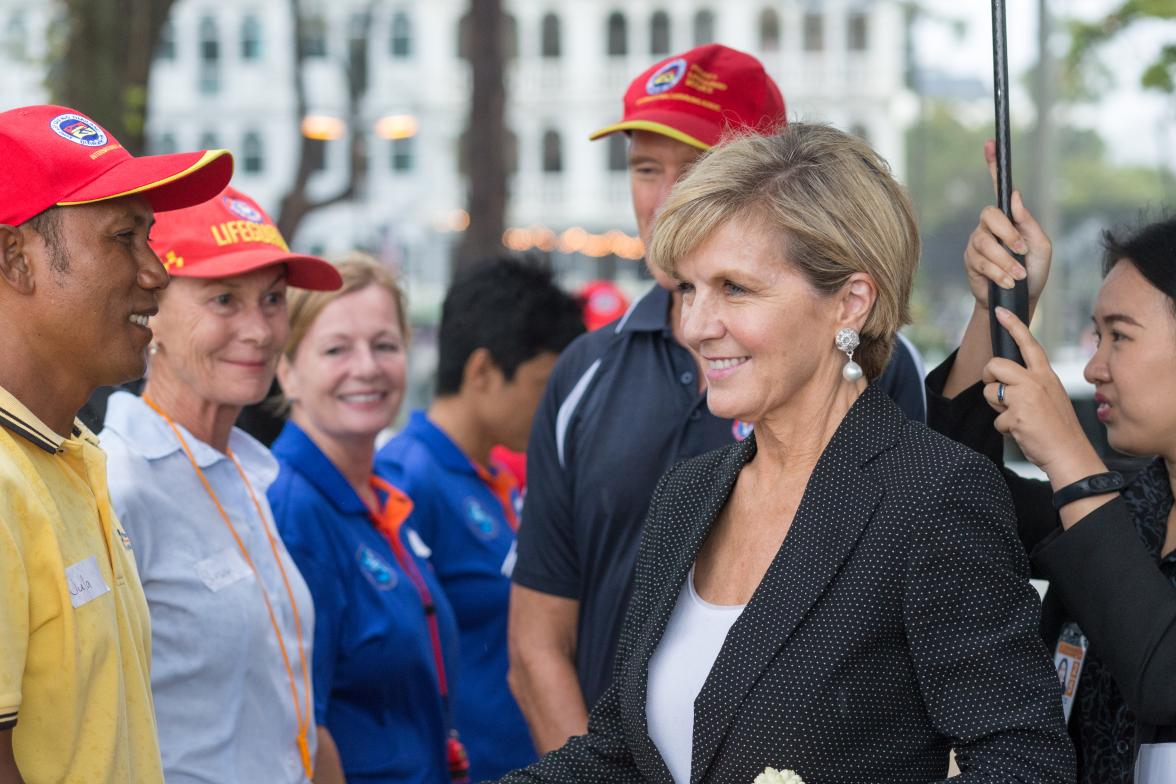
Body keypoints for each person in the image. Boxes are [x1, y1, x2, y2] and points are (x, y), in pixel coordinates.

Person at [496, 124, 1075, 783]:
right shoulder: (686, 495)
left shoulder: (933, 495)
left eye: (734, 289)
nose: (695, 324)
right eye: (688, 288)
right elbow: (619, 752)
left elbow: (1024, 762)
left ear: (850, 303)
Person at [508, 43, 928, 753]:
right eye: (646, 168)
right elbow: (537, 641)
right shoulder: (584, 371)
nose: (668, 196)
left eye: (699, 168)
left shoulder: (876, 369)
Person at [926, 143, 1176, 783]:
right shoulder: (1135, 508)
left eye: (1120, 336)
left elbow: (1160, 679)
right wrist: (997, 311)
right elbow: (946, 487)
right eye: (1095, 337)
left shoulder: (1097, 501)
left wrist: (1068, 451)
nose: (1094, 368)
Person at [0, 104, 231, 782]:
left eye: (148, 237)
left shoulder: (72, 452)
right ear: (16, 258)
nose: (157, 271)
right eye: (124, 237)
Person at [99, 186, 344, 784]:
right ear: (150, 307)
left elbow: (286, 710)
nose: (260, 330)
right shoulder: (116, 481)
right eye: (225, 299)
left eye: (273, 299)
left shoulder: (248, 471)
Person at [374, 257, 584, 781]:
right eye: (543, 386)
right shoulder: (407, 479)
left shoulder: (495, 479)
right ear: (483, 372)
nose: (554, 407)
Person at [270, 256, 463, 784]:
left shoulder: (386, 499)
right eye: (336, 349)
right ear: (287, 371)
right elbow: (303, 727)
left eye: (384, 345)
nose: (367, 368)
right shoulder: (292, 509)